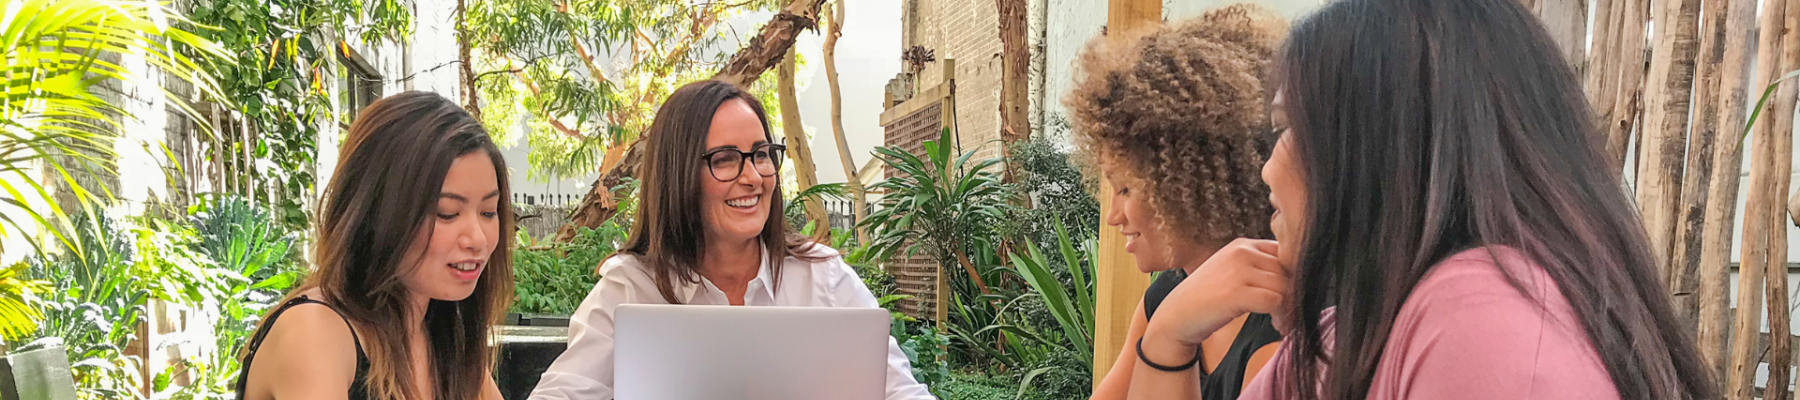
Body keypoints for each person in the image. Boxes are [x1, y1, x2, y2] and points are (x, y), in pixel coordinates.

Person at [1130, 0, 1721, 399]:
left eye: (1286, 126)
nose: (1266, 166)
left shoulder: (1481, 315)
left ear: (1376, 142)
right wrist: (1169, 337)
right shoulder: (1353, 331)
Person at [527, 80, 935, 400]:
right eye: (724, 159)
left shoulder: (824, 278)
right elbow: (561, 393)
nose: (754, 176)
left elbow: (901, 393)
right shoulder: (631, 290)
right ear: (679, 175)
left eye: (761, 154)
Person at [1064, 5, 1286, 400]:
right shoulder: (1166, 294)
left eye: (1126, 189)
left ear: (1189, 184)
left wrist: (1168, 338)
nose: (1114, 216)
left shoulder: (1280, 322)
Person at [234, 91, 514, 400]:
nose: (477, 238)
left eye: (488, 212)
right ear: (378, 213)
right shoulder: (314, 332)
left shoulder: (444, 337)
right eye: (447, 213)